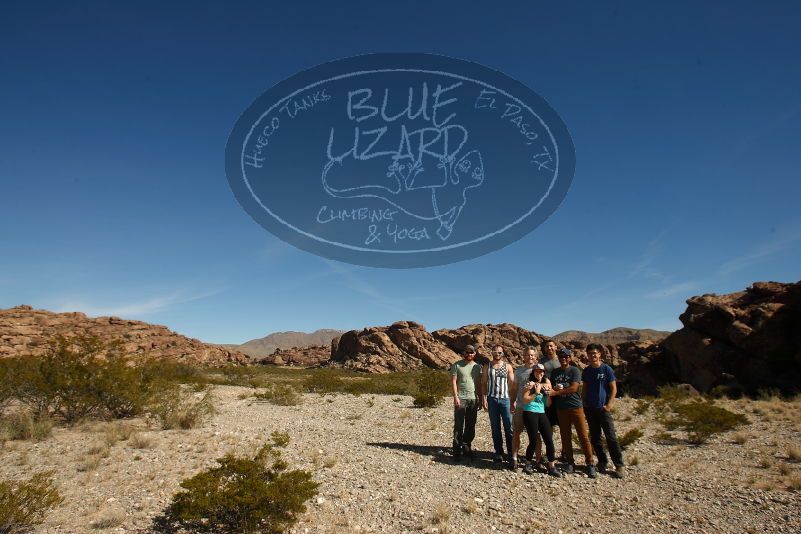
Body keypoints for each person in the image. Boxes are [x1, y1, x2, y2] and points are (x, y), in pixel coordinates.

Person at [549, 347, 596, 478]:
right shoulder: (555, 372)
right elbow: (551, 386)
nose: (563, 359)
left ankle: (590, 463)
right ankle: (570, 462)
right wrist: (554, 389)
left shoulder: (574, 370)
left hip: (575, 406)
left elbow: (574, 388)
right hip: (561, 407)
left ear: (570, 358)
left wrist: (556, 392)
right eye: (561, 357)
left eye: (566, 357)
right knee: (565, 435)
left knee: (583, 435)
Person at [582, 343, 625, 478]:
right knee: (595, 437)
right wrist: (584, 403)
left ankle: (618, 465)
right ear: (587, 356)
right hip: (590, 409)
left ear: (599, 354)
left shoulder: (606, 369)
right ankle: (602, 461)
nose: (593, 356)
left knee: (611, 437)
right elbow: (585, 388)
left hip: (603, 409)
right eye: (590, 354)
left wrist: (609, 405)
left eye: (595, 353)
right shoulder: (587, 371)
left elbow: (613, 388)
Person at [520, 364, 561, 477]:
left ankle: (551, 466)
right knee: (533, 440)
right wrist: (535, 393)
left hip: (541, 412)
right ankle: (527, 464)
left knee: (549, 440)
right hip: (529, 412)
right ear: (533, 372)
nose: (540, 373)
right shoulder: (529, 384)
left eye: (541, 371)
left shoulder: (545, 385)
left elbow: (548, 404)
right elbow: (525, 400)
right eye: (537, 372)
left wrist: (547, 395)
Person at [482, 345, 515, 464]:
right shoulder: (487, 366)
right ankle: (499, 452)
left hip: (505, 400)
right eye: (495, 352)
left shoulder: (508, 366)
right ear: (492, 353)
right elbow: (484, 382)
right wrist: (484, 398)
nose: (497, 354)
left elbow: (512, 382)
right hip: (492, 399)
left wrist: (512, 398)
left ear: (503, 354)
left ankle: (512, 452)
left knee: (509, 427)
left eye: (500, 352)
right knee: (495, 427)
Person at [449, 345, 482, 461]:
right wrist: (455, 397)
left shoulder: (478, 367)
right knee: (458, 425)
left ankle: (467, 447)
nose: (469, 354)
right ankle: (457, 450)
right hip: (461, 398)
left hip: (473, 399)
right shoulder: (457, 365)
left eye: (472, 352)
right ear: (464, 352)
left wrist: (481, 399)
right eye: (467, 352)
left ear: (475, 354)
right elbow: (453, 381)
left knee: (471, 425)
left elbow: (479, 383)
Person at [509, 346, 537, 470]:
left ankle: (537, 460)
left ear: (535, 357)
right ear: (523, 356)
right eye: (527, 355)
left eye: (531, 355)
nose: (529, 357)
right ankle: (514, 459)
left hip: (535, 407)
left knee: (536, 435)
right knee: (516, 432)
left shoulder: (540, 370)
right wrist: (512, 402)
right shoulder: (518, 371)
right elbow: (514, 388)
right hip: (520, 406)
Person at [537, 340, 563, 460]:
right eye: (547, 346)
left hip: (561, 396)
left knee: (563, 425)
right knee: (548, 425)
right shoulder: (542, 361)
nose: (549, 348)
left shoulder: (561, 359)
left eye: (551, 346)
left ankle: (565, 452)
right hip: (546, 396)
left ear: (555, 347)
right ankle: (549, 452)